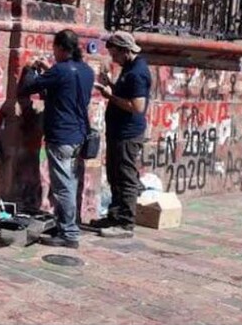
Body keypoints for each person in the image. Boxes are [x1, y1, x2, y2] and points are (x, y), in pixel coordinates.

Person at [18, 29, 95, 248]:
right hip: (78, 134)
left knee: (63, 187)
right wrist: (48, 71)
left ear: (61, 48)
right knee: (70, 182)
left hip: (61, 135)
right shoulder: (87, 71)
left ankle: (69, 233)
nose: (54, 53)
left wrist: (31, 68)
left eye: (55, 49)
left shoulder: (60, 71)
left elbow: (29, 87)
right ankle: (67, 226)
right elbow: (65, 88)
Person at [92, 32, 151, 238]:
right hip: (118, 132)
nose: (113, 58)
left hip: (128, 134)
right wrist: (110, 83)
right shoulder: (129, 68)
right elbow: (126, 95)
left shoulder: (137, 73)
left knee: (125, 176)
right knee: (115, 174)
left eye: (115, 53)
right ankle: (115, 215)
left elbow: (137, 106)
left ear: (125, 51)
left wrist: (110, 96)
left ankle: (125, 223)